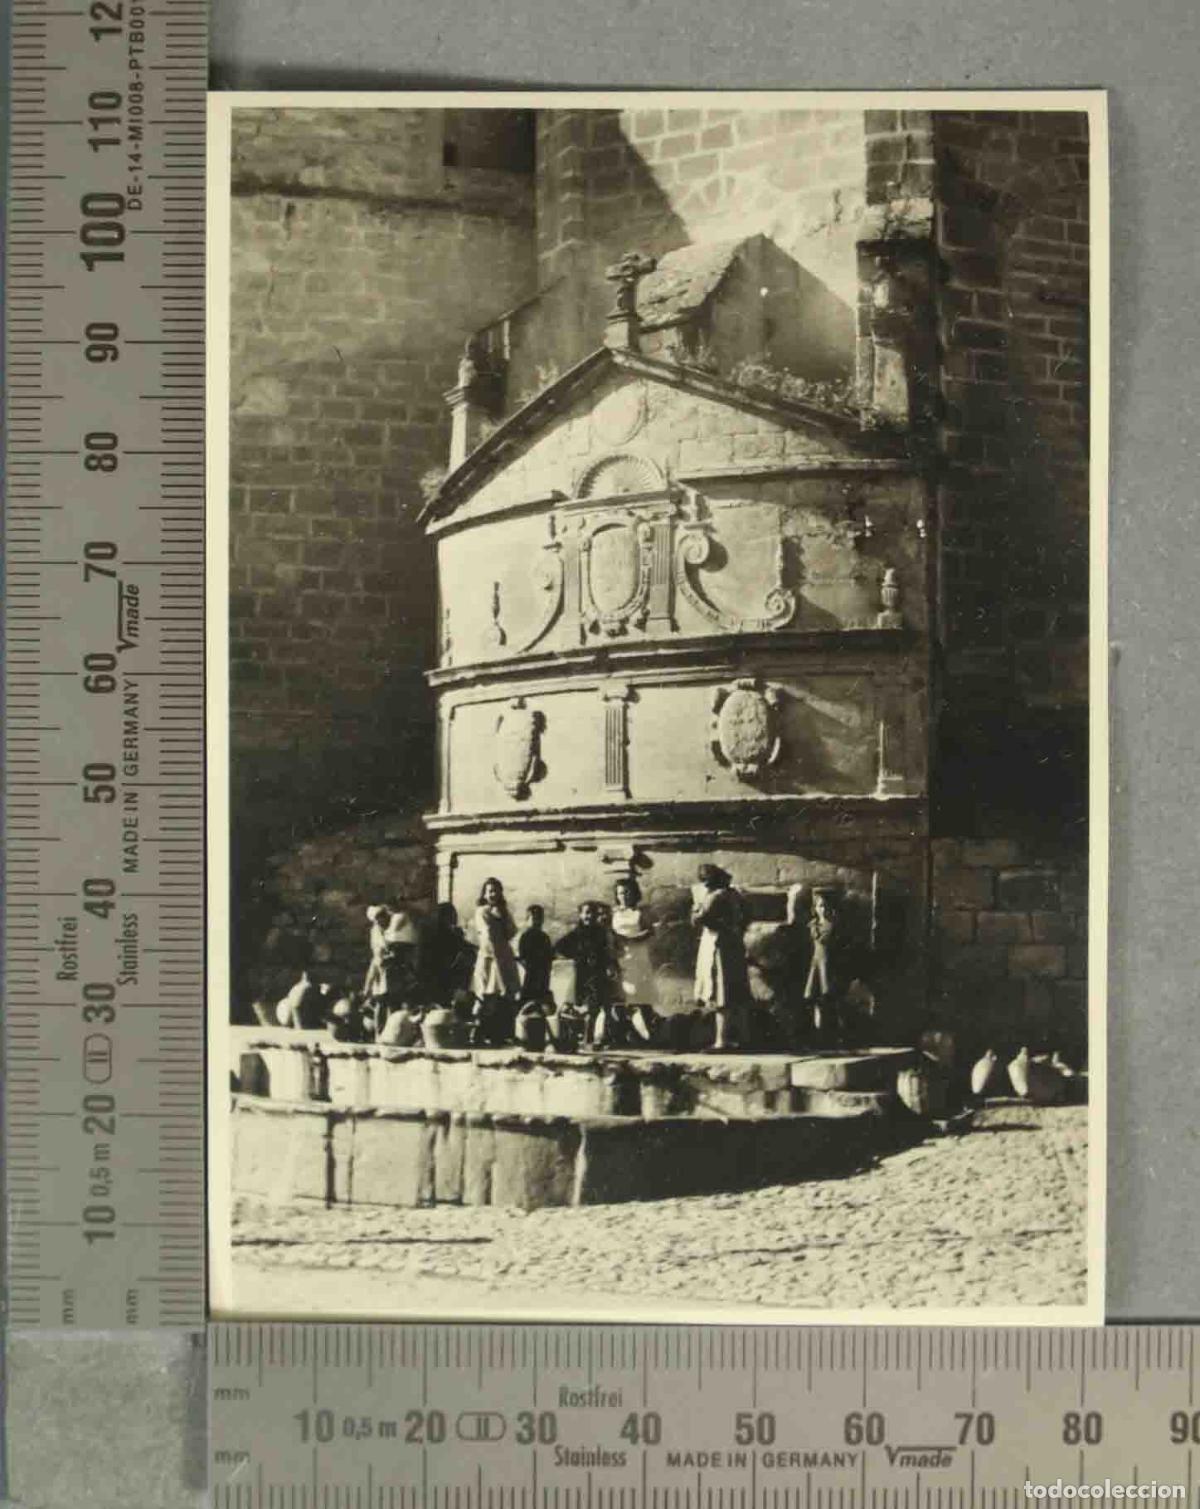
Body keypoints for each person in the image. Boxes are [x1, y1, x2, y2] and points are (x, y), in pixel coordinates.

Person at [692, 863, 751, 1052]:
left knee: (721, 992)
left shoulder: (715, 896)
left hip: (718, 945)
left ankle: (721, 1041)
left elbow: (699, 918)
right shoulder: (735, 894)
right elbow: (746, 917)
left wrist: (696, 907)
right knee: (737, 992)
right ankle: (744, 1038)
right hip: (733, 944)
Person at [554, 900, 615, 1048]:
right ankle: (578, 1038)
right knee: (580, 1007)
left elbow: (606, 952)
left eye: (593, 913)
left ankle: (591, 1039)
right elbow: (559, 946)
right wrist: (576, 955)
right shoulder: (576, 933)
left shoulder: (601, 932)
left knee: (595, 1007)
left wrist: (608, 965)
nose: (589, 916)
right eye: (586, 913)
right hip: (582, 973)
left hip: (598, 974)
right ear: (580, 915)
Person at [471, 877, 520, 1045]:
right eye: (490, 891)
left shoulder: (504, 912)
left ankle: (499, 1034)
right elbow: (487, 934)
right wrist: (495, 956)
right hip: (489, 957)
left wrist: (503, 917)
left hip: (504, 956)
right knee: (487, 993)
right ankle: (479, 1033)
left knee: (503, 996)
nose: (493, 894)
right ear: (484, 894)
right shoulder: (482, 911)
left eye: (496, 891)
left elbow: (512, 932)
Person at [610, 877, 657, 1045]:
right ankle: (622, 1034)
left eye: (627, 892)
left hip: (637, 956)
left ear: (635, 894)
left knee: (640, 996)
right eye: (621, 893)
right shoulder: (614, 913)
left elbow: (649, 932)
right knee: (621, 996)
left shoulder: (640, 913)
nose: (624, 896)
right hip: (620, 957)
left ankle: (648, 1035)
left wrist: (631, 939)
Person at [423, 901, 475, 1003]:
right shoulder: (443, 933)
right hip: (441, 978)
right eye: (452, 915)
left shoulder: (436, 930)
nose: (455, 918)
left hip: (437, 978)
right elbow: (466, 949)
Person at [516, 905, 554, 1006]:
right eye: (534, 918)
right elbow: (522, 956)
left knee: (542, 1000)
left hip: (544, 974)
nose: (537, 921)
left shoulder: (545, 937)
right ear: (527, 920)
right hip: (530, 974)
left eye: (539, 918)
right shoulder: (525, 937)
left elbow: (549, 957)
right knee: (528, 1000)